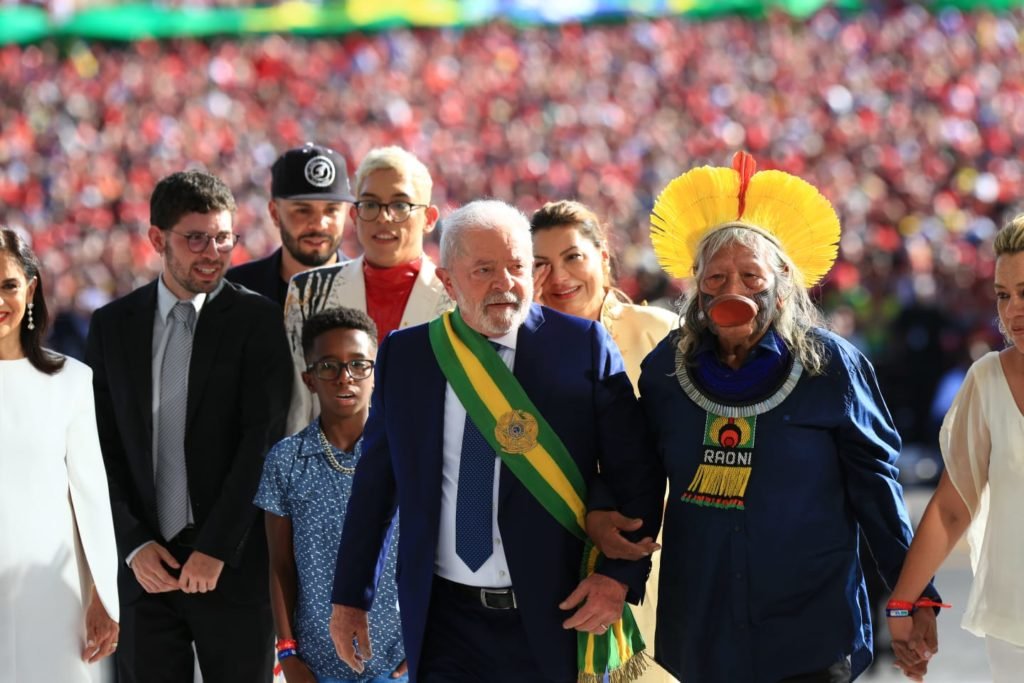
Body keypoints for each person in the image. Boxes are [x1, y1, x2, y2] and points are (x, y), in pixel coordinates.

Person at [590, 152, 940, 683]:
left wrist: (912, 598)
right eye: (717, 277)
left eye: (751, 275)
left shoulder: (832, 366)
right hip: (702, 628)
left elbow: (877, 491)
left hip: (810, 629)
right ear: (696, 290)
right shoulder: (666, 368)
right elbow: (640, 484)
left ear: (782, 285)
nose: (734, 290)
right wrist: (618, 575)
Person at [328, 200, 664, 683]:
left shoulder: (581, 347)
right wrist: (349, 597)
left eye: (517, 268)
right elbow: (376, 483)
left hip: (554, 612)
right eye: (484, 270)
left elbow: (637, 473)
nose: (505, 284)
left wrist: (618, 577)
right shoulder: (407, 355)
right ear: (447, 281)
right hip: (443, 617)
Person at [86, 170, 293, 682]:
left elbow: (261, 444)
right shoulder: (112, 325)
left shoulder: (260, 321)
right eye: (196, 237)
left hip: (233, 563)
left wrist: (215, 548)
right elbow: (97, 444)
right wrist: (132, 544)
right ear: (157, 238)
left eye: (224, 237)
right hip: (144, 572)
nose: (213, 252)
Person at [530, 200, 678, 683]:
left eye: (573, 257)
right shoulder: (508, 355)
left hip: (653, 563)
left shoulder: (662, 335)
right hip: (547, 569)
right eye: (539, 264)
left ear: (604, 259)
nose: (558, 277)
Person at [887, 214, 1024, 682]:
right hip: (1015, 629)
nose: (1013, 311)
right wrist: (904, 605)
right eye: (1003, 296)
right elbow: (951, 508)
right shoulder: (987, 380)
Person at [255, 307, 407, 683]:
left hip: (399, 655)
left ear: (377, 374)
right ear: (309, 379)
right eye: (329, 366)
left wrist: (428, 636)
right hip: (317, 663)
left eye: (359, 365)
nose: (345, 378)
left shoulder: (407, 454)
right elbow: (280, 565)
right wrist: (287, 652)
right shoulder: (286, 460)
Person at [0, 228, 119, 682]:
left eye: (9, 285)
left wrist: (104, 596)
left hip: (53, 589)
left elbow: (90, 496)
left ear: (30, 290)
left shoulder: (71, 380)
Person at [283, 146, 450, 433]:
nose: (384, 218)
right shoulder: (309, 291)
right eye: (370, 204)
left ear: (430, 219)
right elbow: (299, 406)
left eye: (400, 205)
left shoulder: (457, 297)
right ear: (354, 215)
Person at [228, 143, 354, 306]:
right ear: (275, 213)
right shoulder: (233, 292)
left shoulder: (370, 289)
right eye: (303, 210)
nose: (319, 224)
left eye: (331, 210)